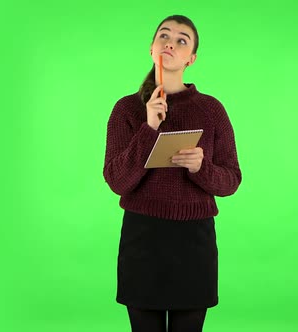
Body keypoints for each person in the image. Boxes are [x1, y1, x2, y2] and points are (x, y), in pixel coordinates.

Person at [103, 14, 241, 332]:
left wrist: (200, 168)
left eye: (182, 40)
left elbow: (232, 179)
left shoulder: (211, 110)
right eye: (164, 36)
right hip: (143, 238)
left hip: (194, 241)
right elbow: (117, 180)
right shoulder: (127, 110)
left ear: (191, 58)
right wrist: (149, 127)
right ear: (152, 48)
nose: (171, 43)